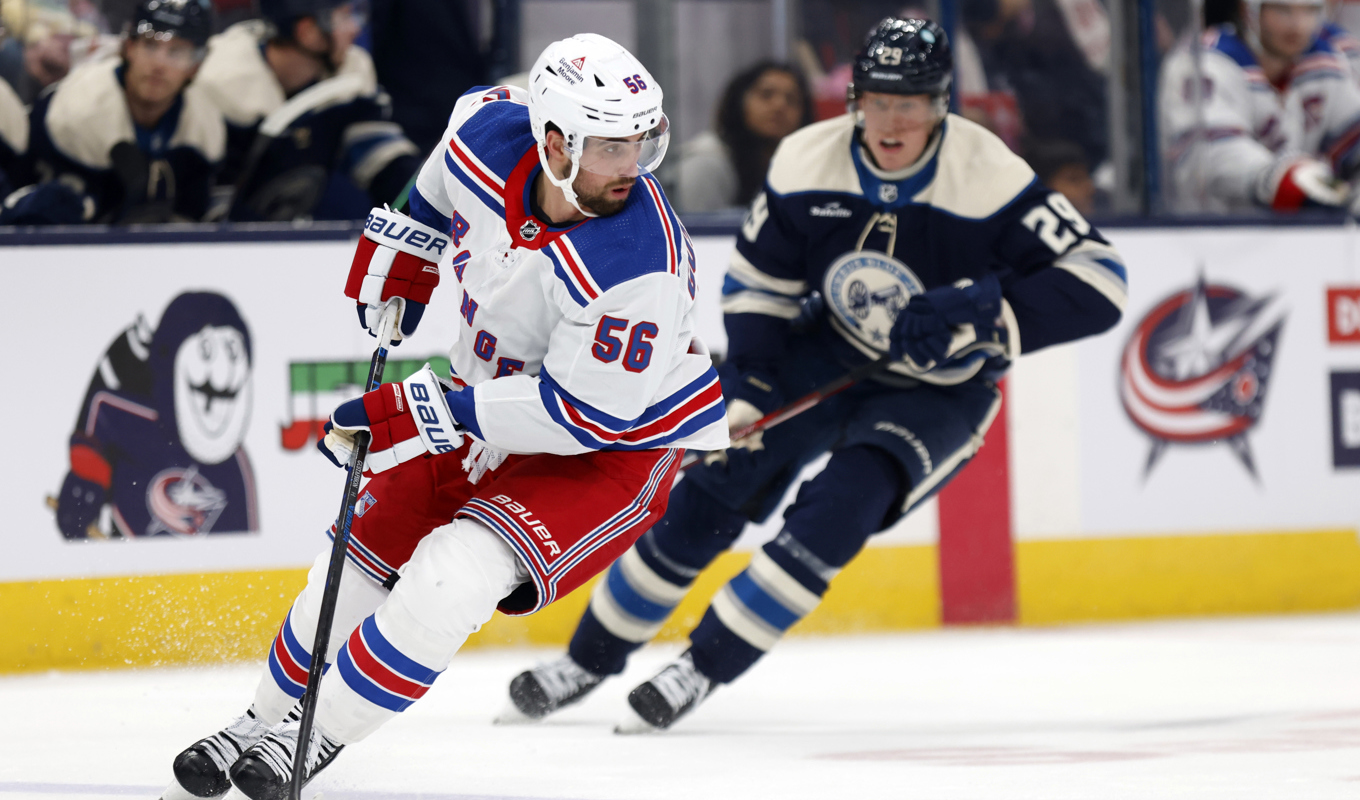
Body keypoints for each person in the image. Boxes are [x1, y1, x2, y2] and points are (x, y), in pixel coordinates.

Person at [500, 17, 1127, 734]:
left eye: (913, 103)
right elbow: (759, 283)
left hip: (941, 387)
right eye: (879, 99)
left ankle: (700, 668)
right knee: (708, 493)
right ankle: (590, 658)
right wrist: (755, 384)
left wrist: (984, 311)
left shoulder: (989, 173)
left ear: (943, 104)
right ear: (854, 97)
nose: (893, 120)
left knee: (837, 515)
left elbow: (1100, 282)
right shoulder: (805, 159)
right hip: (823, 350)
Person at [160, 33, 726, 800]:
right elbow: (434, 186)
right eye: (610, 148)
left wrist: (418, 408)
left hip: (608, 446)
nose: (632, 168)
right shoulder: (487, 129)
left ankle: (314, 733)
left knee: (452, 574)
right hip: (482, 394)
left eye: (640, 145)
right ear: (552, 139)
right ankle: (256, 723)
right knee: (350, 571)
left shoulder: (638, 261)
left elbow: (576, 416)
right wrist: (408, 247)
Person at [192, 0, 420, 221]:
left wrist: (424, 199)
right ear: (307, 31)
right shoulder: (223, 81)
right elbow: (208, 200)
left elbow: (380, 160)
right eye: (343, 16)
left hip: (300, 228)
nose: (355, 27)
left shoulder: (352, 69)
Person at [2, 0, 224, 224]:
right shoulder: (78, 109)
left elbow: (192, 215)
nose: (159, 64)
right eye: (150, 45)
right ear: (128, 47)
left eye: (176, 51)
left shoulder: (204, 124)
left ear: (196, 65)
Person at [1160, 0, 1360, 213]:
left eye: (1310, 11)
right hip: (1206, 233)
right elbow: (1211, 155)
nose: (1298, 25)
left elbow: (1353, 142)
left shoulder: (1323, 60)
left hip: (1295, 234)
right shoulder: (1204, 61)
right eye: (1283, 10)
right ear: (1249, 10)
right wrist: (1277, 178)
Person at [674, 60, 811, 213]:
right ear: (739, 101)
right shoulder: (706, 162)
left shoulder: (798, 167)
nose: (779, 105)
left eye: (791, 100)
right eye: (766, 95)